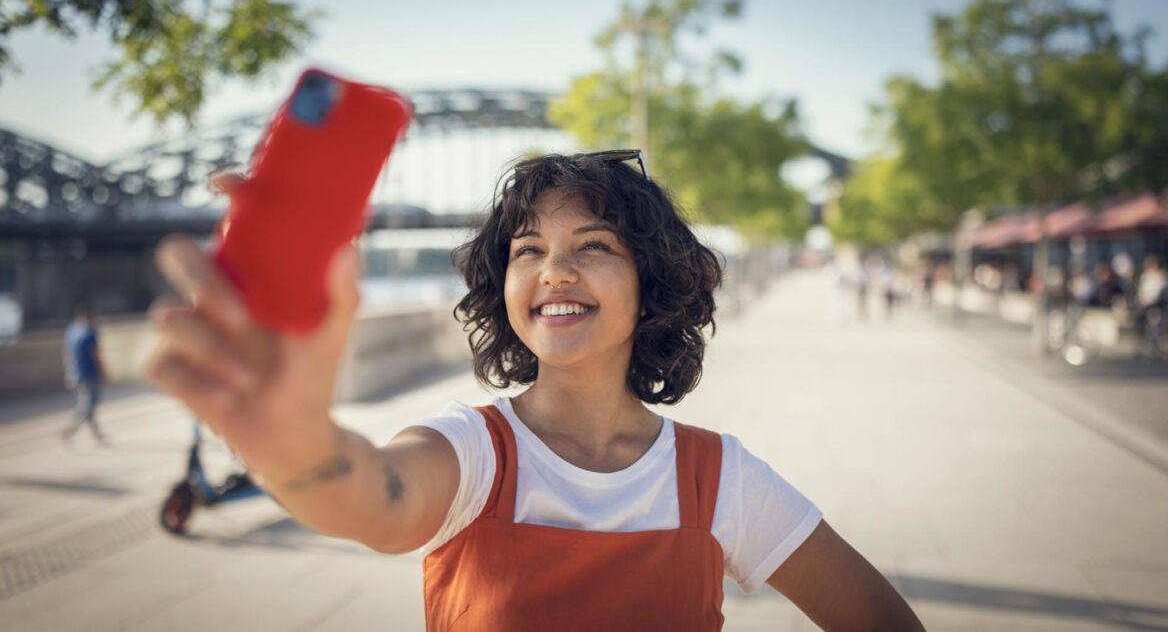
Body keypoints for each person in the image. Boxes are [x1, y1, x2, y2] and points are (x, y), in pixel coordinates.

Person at [145, 151, 923, 630]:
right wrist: (298, 446)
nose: (556, 269)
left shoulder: (719, 479)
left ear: (649, 288)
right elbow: (372, 499)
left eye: (593, 247)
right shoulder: (472, 452)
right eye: (530, 250)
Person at [61, 305, 107, 443]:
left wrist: (69, 373)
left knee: (87, 405)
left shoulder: (71, 330)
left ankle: (97, 435)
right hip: (90, 373)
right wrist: (105, 374)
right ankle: (68, 431)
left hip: (76, 374)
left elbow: (66, 353)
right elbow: (96, 355)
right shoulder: (90, 332)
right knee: (87, 406)